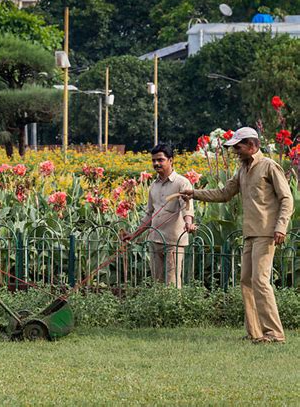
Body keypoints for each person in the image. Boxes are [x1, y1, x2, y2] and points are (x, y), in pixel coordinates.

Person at [180, 127, 294, 343]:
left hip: (266, 232)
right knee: (246, 282)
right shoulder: (243, 169)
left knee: (260, 281)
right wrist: (194, 193)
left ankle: (275, 333)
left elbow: (286, 198)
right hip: (251, 233)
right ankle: (255, 333)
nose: (235, 151)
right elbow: (224, 194)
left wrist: (281, 226)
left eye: (238, 147)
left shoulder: (269, 166)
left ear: (252, 145)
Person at [123, 143, 196, 286]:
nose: (156, 163)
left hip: (173, 241)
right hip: (155, 239)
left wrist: (188, 223)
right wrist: (134, 234)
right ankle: (158, 308)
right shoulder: (154, 185)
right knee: (157, 281)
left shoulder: (182, 183)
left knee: (172, 282)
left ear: (171, 160)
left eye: (160, 160)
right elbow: (149, 214)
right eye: (154, 160)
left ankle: (172, 308)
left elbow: (186, 206)